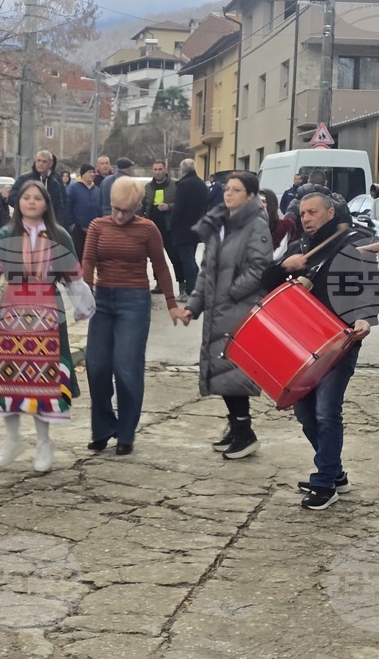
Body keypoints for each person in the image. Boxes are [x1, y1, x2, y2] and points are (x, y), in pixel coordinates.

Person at [261, 192, 379, 510]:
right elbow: (267, 283)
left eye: (312, 212)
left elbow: (372, 289)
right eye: (302, 214)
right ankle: (335, 471)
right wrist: (283, 266)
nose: (306, 218)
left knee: (327, 412)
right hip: (302, 341)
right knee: (304, 411)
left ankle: (325, 481)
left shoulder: (352, 246)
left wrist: (364, 318)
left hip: (338, 342)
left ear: (330, 213)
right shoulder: (299, 248)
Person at [0, 180, 95, 472]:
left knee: (43, 379)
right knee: (7, 376)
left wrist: (84, 307)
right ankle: (13, 439)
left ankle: (44, 442)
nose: (31, 202)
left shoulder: (60, 236)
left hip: (47, 310)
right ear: (18, 202)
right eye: (26, 197)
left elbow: (73, 277)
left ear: (45, 203)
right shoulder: (5, 234)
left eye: (37, 198)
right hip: (11, 309)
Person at [83, 177, 186, 455]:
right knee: (97, 366)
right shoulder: (98, 226)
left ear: (138, 207)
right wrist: (84, 296)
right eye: (115, 208)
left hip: (134, 302)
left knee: (126, 367)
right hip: (102, 301)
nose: (118, 216)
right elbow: (89, 261)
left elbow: (161, 267)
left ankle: (126, 433)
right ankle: (103, 428)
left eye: (126, 211)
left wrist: (172, 302)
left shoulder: (148, 229)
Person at [182, 173, 271, 459]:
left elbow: (260, 268)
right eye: (227, 189)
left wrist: (230, 291)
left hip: (239, 309)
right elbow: (206, 269)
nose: (228, 194)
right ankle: (236, 427)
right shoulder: (220, 224)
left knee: (234, 371)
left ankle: (245, 433)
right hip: (220, 308)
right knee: (222, 371)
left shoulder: (256, 224)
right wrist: (194, 305)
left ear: (250, 195)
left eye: (236, 190)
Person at [143, 160, 182, 293]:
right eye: (155, 169)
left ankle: (182, 285)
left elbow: (181, 204)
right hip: (152, 228)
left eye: (160, 169)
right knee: (155, 258)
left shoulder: (175, 185)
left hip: (169, 227)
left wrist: (168, 206)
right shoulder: (148, 186)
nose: (157, 172)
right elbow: (144, 204)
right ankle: (159, 284)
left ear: (165, 170)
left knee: (174, 257)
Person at [171, 159, 208, 296]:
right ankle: (199, 286)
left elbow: (178, 208)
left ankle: (191, 290)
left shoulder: (183, 185)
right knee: (190, 259)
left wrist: (173, 223)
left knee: (187, 260)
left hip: (183, 228)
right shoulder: (202, 184)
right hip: (197, 227)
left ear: (182, 170)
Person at [9, 149, 67, 220]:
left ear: (50, 164)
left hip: (48, 225)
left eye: (44, 161)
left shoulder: (54, 184)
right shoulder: (23, 179)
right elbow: (11, 198)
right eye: (38, 160)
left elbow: (60, 207)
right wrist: (27, 206)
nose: (41, 164)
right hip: (24, 222)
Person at [65, 163, 100, 262]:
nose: (92, 174)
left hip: (93, 230)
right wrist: (72, 225)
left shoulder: (97, 190)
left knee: (90, 258)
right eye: (89, 172)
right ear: (83, 174)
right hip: (77, 230)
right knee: (77, 257)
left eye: (93, 172)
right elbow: (67, 206)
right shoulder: (73, 188)